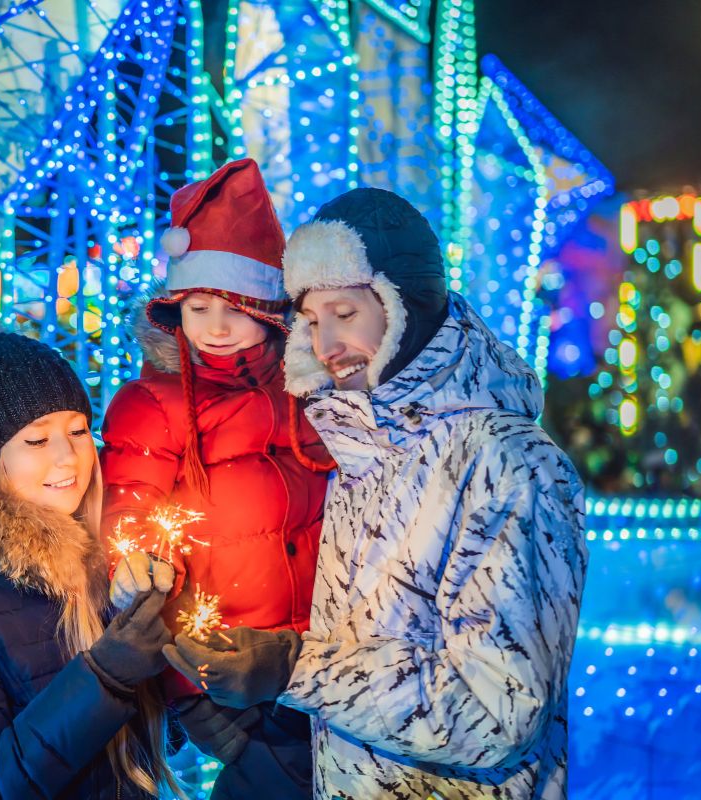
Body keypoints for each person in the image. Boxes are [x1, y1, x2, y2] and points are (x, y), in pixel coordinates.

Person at [163, 188, 589, 799]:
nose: (328, 345)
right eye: (311, 322)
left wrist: (293, 666)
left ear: (404, 305)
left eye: (345, 313)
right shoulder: (360, 452)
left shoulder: (508, 463)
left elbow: (499, 709)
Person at [100, 158, 332, 797]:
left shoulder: (305, 391)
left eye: (235, 308)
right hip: (220, 676)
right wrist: (134, 564)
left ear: (268, 309)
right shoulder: (155, 403)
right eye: (200, 308)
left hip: (313, 664)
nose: (217, 328)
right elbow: (131, 510)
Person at [0, 319, 180, 799]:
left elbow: (140, 750)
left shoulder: (108, 561)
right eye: (37, 440)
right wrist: (104, 678)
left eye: (79, 430)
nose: (68, 457)